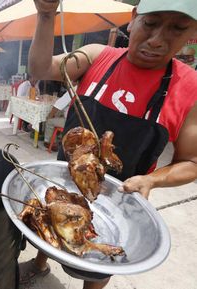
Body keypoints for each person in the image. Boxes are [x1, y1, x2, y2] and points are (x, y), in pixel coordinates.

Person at [20, 0, 197, 288]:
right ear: (133, 18)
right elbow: (40, 69)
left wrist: (151, 181)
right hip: (67, 175)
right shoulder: (96, 56)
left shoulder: (190, 88)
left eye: (177, 28)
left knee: (100, 265)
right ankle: (40, 263)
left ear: (193, 33)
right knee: (50, 220)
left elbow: (193, 162)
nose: (157, 40)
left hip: (118, 199)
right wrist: (46, 14)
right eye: (150, 24)